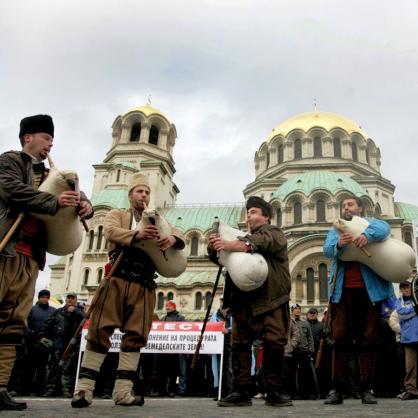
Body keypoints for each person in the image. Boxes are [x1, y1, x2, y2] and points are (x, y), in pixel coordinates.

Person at [0, 115, 93, 411]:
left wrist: (85, 205)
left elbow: (75, 197)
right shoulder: (11, 161)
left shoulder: (52, 173)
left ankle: (0, 385)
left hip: (30, 259)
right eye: (45, 138)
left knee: (13, 324)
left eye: (52, 139)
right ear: (28, 137)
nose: (50, 144)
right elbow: (10, 190)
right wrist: (54, 202)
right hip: (6, 253)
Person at [71, 173, 185, 408]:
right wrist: (137, 235)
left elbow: (179, 232)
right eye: (139, 191)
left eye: (146, 192)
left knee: (135, 336)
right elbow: (110, 232)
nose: (143, 195)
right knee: (99, 332)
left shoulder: (157, 219)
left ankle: (123, 393)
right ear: (130, 194)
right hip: (116, 280)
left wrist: (174, 238)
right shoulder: (118, 214)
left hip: (143, 285)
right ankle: (83, 390)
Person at [209, 196, 292, 408]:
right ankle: (241, 390)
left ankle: (274, 390)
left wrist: (233, 244)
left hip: (271, 299)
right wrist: (215, 246)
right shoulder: (240, 238)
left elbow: (264, 243)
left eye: (254, 211)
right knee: (239, 345)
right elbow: (219, 257)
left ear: (266, 216)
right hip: (243, 301)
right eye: (247, 211)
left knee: (274, 343)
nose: (249, 215)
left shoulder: (274, 232)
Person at [323, 195, 394, 405]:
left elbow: (385, 228)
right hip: (341, 293)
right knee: (340, 340)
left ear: (360, 208)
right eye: (343, 206)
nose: (346, 208)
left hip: (369, 292)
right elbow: (326, 250)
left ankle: (367, 389)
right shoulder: (335, 230)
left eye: (350, 204)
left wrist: (367, 235)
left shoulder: (370, 224)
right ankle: (338, 390)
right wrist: (338, 244)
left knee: (368, 340)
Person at [43, 292, 85, 397]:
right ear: (66, 300)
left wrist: (76, 312)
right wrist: (47, 338)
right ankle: (50, 389)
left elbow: (86, 321)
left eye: (72, 298)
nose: (70, 300)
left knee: (68, 368)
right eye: (68, 298)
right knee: (54, 368)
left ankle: (66, 389)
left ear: (76, 300)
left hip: (71, 346)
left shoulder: (79, 313)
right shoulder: (58, 312)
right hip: (58, 344)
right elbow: (47, 325)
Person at [21, 289, 57, 396]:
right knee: (29, 368)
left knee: (42, 369)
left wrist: (48, 339)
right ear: (39, 298)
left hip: (45, 344)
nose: (45, 299)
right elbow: (25, 325)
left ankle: (39, 390)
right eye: (43, 297)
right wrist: (31, 335)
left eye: (47, 297)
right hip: (32, 343)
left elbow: (55, 326)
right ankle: (25, 390)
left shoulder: (53, 311)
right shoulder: (32, 310)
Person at [390, 280, 418, 400]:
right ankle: (411, 390)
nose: (407, 290)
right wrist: (415, 309)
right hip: (409, 338)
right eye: (404, 288)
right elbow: (401, 314)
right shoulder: (398, 302)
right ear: (401, 290)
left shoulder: (415, 300)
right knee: (410, 367)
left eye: (408, 288)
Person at [157, 301, 187, 397]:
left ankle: (173, 390)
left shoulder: (181, 319)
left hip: (176, 350)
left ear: (174, 307)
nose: (167, 307)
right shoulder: (163, 319)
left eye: (169, 306)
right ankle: (163, 390)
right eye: (166, 306)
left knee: (174, 372)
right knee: (163, 371)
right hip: (165, 350)